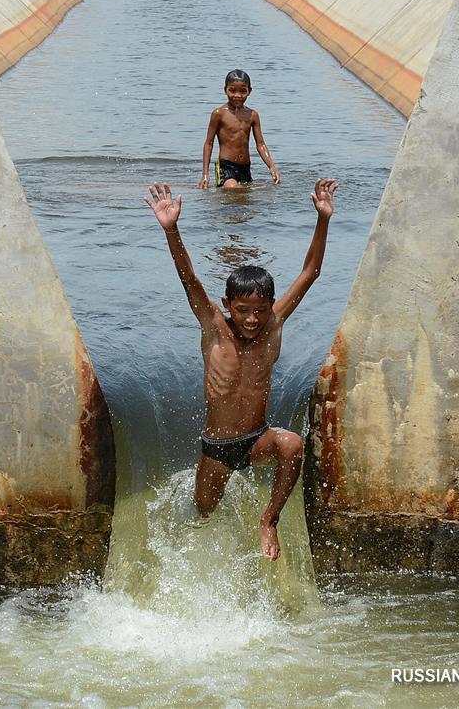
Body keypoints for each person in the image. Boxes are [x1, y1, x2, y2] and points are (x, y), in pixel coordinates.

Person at [145, 177, 340, 560]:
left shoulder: (275, 325)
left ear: (270, 307)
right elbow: (189, 280)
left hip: (256, 439)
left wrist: (323, 219)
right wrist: (172, 230)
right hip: (217, 448)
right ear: (227, 305)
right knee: (202, 517)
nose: (253, 320)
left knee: (292, 445)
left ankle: (269, 520)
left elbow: (311, 273)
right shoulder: (215, 329)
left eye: (260, 311)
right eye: (244, 311)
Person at [198, 70, 281, 189]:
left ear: (249, 91)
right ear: (225, 90)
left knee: (245, 201)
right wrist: (205, 175)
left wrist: (272, 166)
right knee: (233, 188)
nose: (237, 95)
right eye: (232, 90)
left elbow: (261, 144)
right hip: (226, 167)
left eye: (243, 91)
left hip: (245, 167)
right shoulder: (219, 114)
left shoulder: (252, 115)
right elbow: (208, 143)